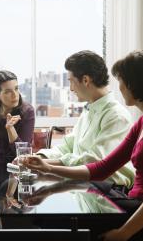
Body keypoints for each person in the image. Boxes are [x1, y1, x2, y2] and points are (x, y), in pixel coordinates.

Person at [23, 49, 143, 241]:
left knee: (57, 220)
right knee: (63, 207)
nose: (120, 87)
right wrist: (48, 168)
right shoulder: (142, 122)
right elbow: (102, 168)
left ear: (135, 83)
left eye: (122, 81)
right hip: (135, 200)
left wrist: (124, 232)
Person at [36, 50, 134, 189]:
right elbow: (68, 146)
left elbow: (93, 160)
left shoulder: (116, 116)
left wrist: (48, 165)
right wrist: (40, 157)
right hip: (85, 188)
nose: (70, 89)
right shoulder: (88, 111)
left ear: (86, 80)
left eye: (71, 82)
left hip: (110, 194)